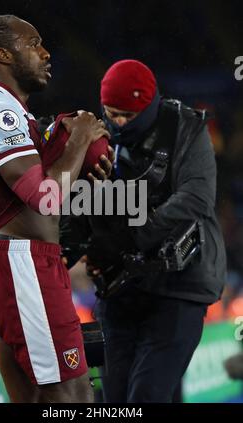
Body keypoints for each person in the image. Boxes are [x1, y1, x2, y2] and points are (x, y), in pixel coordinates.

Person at [0, 14, 113, 403]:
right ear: (3, 54)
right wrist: (79, 140)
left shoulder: (14, 113)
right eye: (33, 44)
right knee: (72, 395)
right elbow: (45, 197)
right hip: (21, 262)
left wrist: (80, 165)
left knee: (46, 396)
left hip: (29, 261)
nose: (46, 53)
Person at [60, 60, 227, 403]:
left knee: (147, 395)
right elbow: (79, 206)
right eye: (112, 113)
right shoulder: (97, 139)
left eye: (128, 116)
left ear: (148, 105)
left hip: (179, 286)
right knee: (116, 400)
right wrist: (65, 252)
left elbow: (196, 198)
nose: (118, 123)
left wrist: (132, 237)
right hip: (120, 290)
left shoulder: (187, 129)